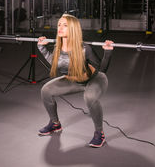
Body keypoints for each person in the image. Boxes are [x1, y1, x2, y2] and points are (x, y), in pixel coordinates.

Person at [37, 14, 114, 148]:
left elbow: (101, 70)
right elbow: (56, 63)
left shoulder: (85, 48)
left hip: (95, 79)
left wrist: (107, 53)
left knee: (89, 97)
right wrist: (42, 49)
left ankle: (99, 133)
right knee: (46, 90)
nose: (60, 27)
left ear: (73, 29)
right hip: (73, 81)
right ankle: (55, 124)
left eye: (65, 25)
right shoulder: (58, 47)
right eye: (59, 24)